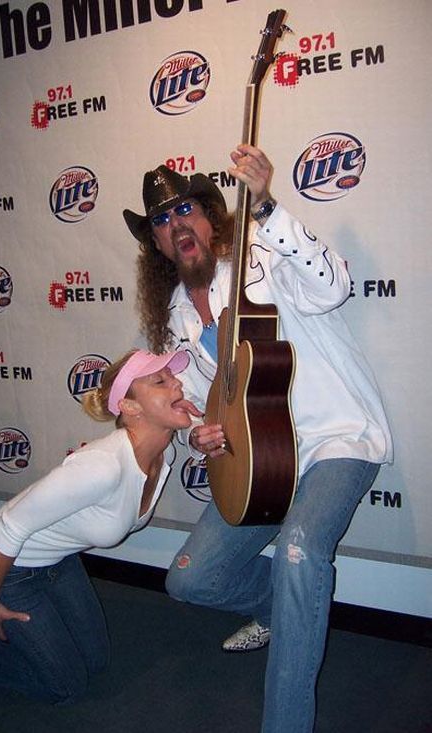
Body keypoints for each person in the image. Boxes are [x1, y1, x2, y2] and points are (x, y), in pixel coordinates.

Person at [123, 145, 393, 733]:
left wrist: (267, 206)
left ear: (210, 217)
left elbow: (334, 288)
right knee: (190, 578)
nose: (176, 225)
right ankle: (283, 610)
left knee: (298, 551)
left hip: (334, 440)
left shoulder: (261, 256)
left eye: (186, 210)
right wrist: (203, 434)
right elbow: (205, 398)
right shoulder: (175, 316)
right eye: (162, 221)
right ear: (157, 244)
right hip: (258, 463)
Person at [0, 348, 199, 704]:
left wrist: (197, 429)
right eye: (160, 381)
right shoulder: (102, 466)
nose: (177, 383)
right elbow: (11, 527)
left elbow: (195, 433)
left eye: (172, 376)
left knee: (96, 661)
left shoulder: (164, 453)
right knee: (68, 686)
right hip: (9, 565)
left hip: (59, 561)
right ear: (130, 407)